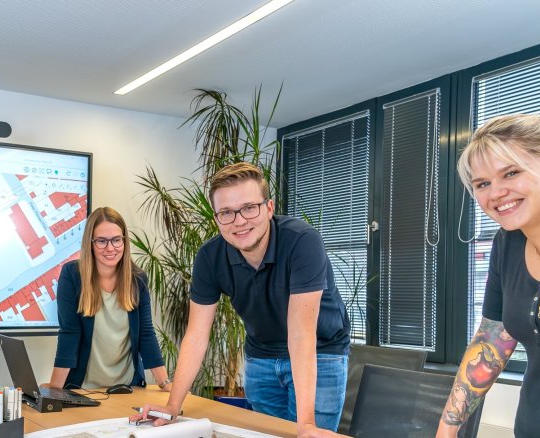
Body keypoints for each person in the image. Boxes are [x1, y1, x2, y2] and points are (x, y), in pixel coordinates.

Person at [132, 162, 350, 437]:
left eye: (249, 207)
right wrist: (172, 406)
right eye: (226, 212)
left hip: (319, 353)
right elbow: (197, 335)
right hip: (261, 355)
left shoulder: (302, 241)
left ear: (269, 208)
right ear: (216, 219)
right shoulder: (210, 257)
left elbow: (300, 334)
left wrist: (306, 425)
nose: (239, 221)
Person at [437, 114, 540, 437]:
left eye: (511, 172)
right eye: (482, 184)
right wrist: (448, 428)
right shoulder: (507, 243)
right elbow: (493, 338)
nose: (496, 193)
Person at [48, 207, 171, 391]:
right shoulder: (72, 275)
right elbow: (69, 333)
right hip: (83, 388)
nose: (110, 248)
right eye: (101, 241)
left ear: (124, 241)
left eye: (116, 240)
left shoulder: (138, 280)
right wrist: (54, 390)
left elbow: (146, 334)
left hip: (128, 388)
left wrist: (165, 383)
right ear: (90, 243)